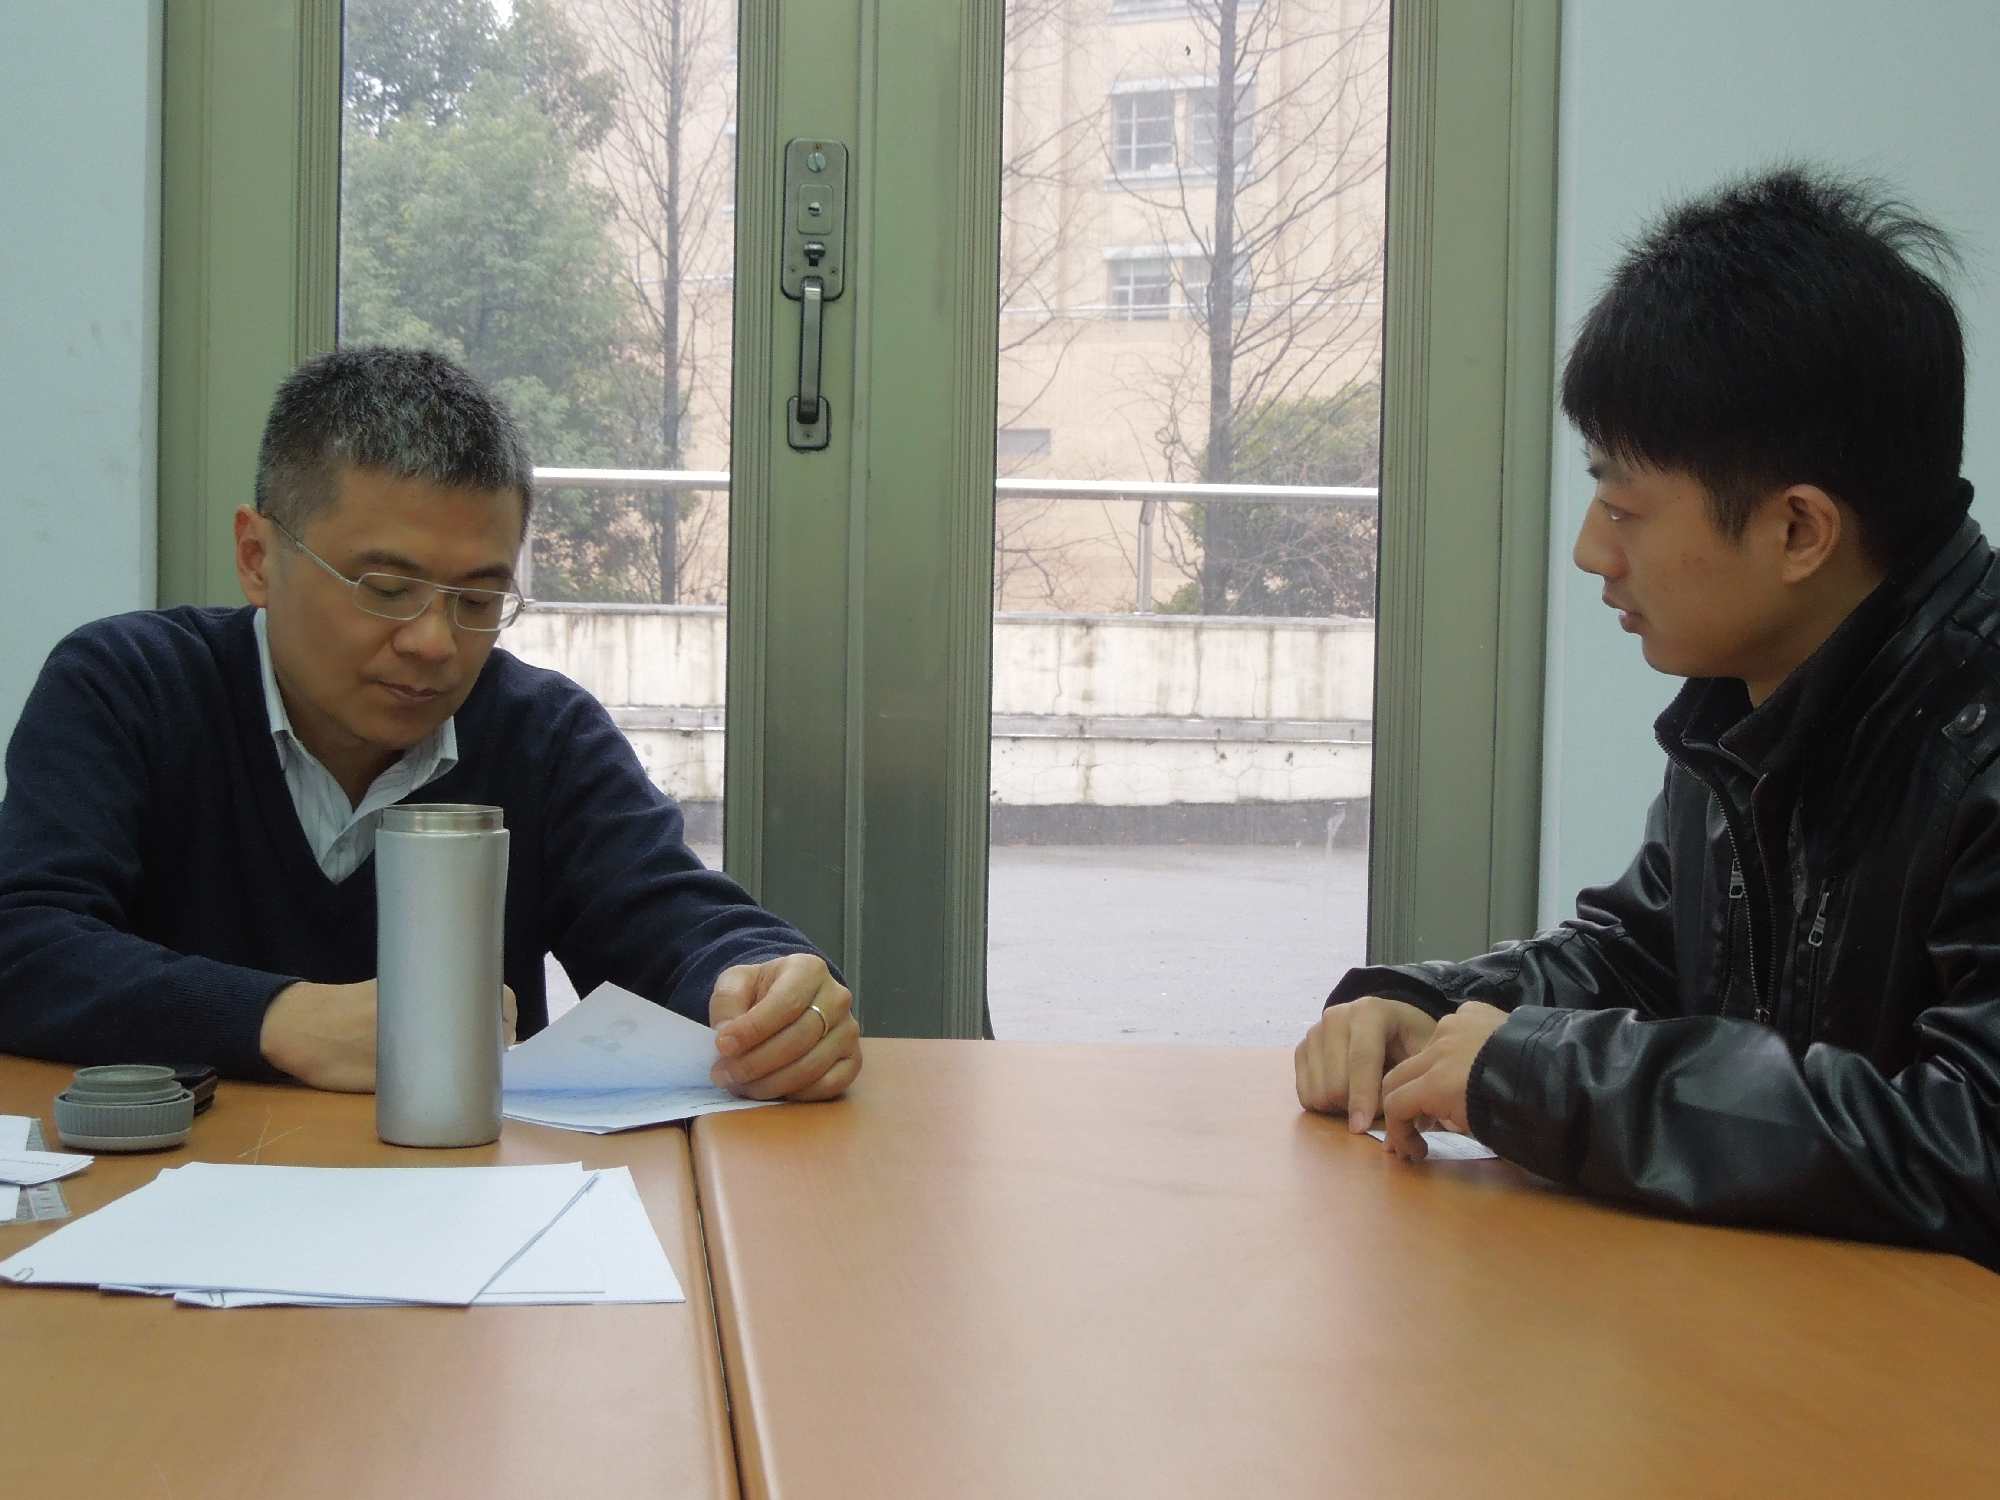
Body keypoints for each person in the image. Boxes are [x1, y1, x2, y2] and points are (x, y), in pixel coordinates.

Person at [1296, 165, 2000, 1268]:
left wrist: (1543, 1077)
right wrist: (1425, 1008)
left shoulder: (1975, 743)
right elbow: (1644, 954)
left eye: (1623, 507)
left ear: (1798, 531)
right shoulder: (1753, 699)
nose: (1592, 551)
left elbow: (1972, 1144)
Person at [0, 346, 860, 1101]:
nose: (434, 643)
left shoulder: (542, 735)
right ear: (257, 557)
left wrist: (767, 988)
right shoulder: (129, 687)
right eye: (385, 589)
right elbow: (23, 942)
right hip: (174, 1193)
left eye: (478, 601)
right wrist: (282, 1019)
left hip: (471, 1205)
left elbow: (673, 924)